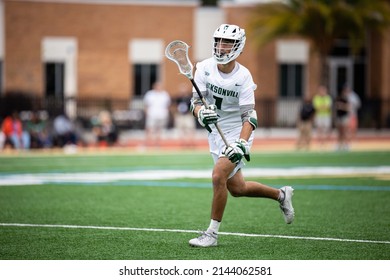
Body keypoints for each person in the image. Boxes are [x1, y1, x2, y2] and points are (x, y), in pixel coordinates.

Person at [188, 24, 295, 248]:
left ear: (238, 46)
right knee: (237, 188)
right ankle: (281, 195)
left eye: (227, 42)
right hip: (215, 131)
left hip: (238, 130)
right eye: (219, 41)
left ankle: (211, 234)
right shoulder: (204, 67)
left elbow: (250, 116)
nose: (221, 46)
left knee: (218, 176)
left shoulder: (243, 76)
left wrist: (241, 143)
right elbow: (196, 103)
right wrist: (201, 115)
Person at [143, 82, 171, 147]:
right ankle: (147, 143)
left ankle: (157, 144)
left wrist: (166, 113)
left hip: (162, 115)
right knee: (149, 128)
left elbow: (168, 105)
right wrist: (147, 113)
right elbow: (146, 105)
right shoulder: (150, 94)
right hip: (152, 114)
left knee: (159, 130)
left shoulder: (165, 94)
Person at [173, 83, 196, 147]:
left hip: (188, 115)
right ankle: (183, 143)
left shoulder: (189, 98)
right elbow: (175, 106)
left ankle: (190, 142)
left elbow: (192, 106)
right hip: (180, 116)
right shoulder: (178, 98)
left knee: (190, 129)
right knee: (181, 130)